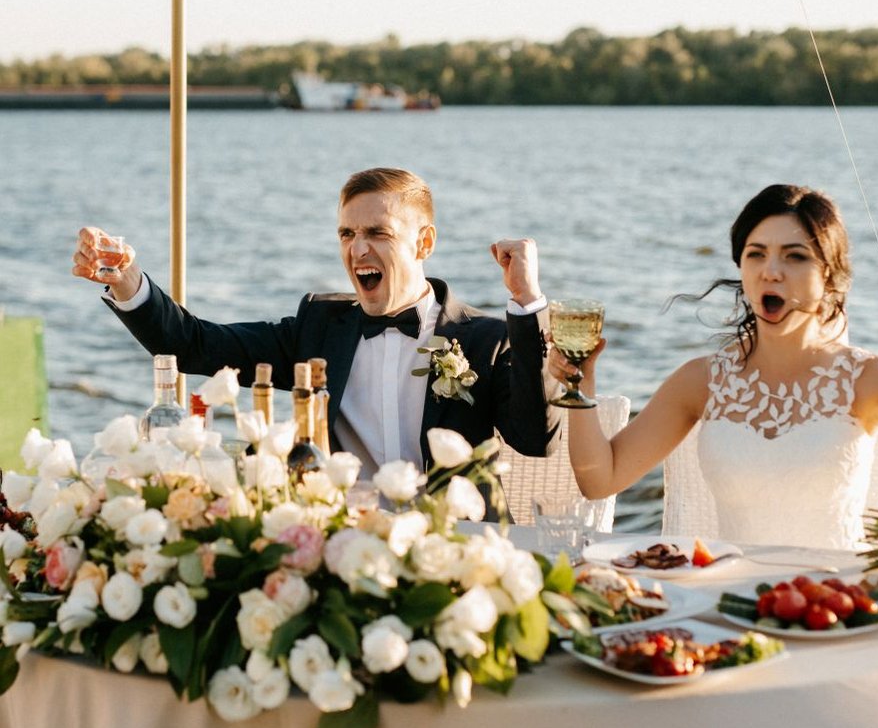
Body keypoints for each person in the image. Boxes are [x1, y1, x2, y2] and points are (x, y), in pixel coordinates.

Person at [72, 167, 560, 520]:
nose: (357, 248)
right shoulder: (320, 326)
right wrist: (128, 282)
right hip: (342, 545)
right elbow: (197, 345)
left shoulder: (486, 337)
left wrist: (526, 303)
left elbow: (536, 438)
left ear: (424, 243)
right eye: (347, 233)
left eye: (377, 233)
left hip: (458, 551)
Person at [549, 183, 878, 549]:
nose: (771, 271)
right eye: (756, 253)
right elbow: (600, 479)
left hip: (835, 607)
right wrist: (581, 383)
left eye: (795, 256)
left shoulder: (873, 379)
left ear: (830, 275)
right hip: (731, 605)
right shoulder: (702, 381)